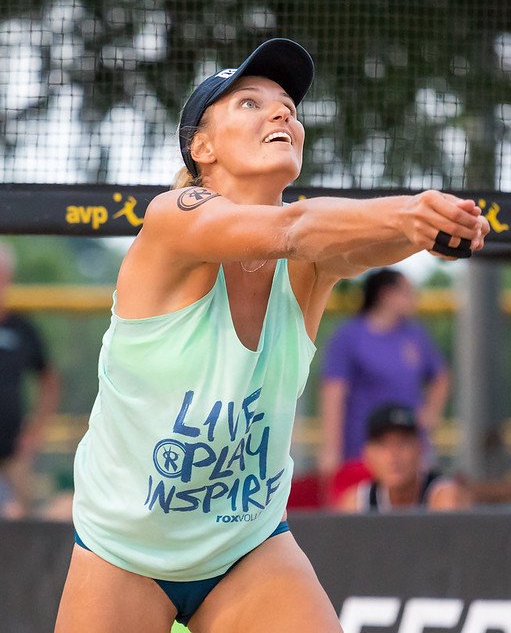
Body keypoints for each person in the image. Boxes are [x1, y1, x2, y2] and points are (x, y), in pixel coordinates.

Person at [55, 37, 489, 633]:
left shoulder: (310, 262)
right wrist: (409, 213)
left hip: (246, 545)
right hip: (124, 551)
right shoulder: (172, 219)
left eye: (287, 104)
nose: (283, 112)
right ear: (201, 147)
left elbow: (357, 239)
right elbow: (296, 225)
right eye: (251, 104)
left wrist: (438, 229)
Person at [319, 268, 449, 490]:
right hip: (361, 451)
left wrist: (429, 416)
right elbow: (333, 393)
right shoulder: (350, 336)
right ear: (386, 295)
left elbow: (441, 376)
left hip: (410, 454)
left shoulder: (414, 335)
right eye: (407, 292)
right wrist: (331, 450)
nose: (414, 299)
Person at [0, 243, 60, 518]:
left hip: (14, 448)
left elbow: (49, 381)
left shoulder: (23, 328)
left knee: (22, 518)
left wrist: (34, 432)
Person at [336, 403, 472, 513]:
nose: (393, 455)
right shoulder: (357, 504)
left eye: (403, 443)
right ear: (367, 454)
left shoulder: (443, 498)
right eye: (383, 445)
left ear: (420, 449)